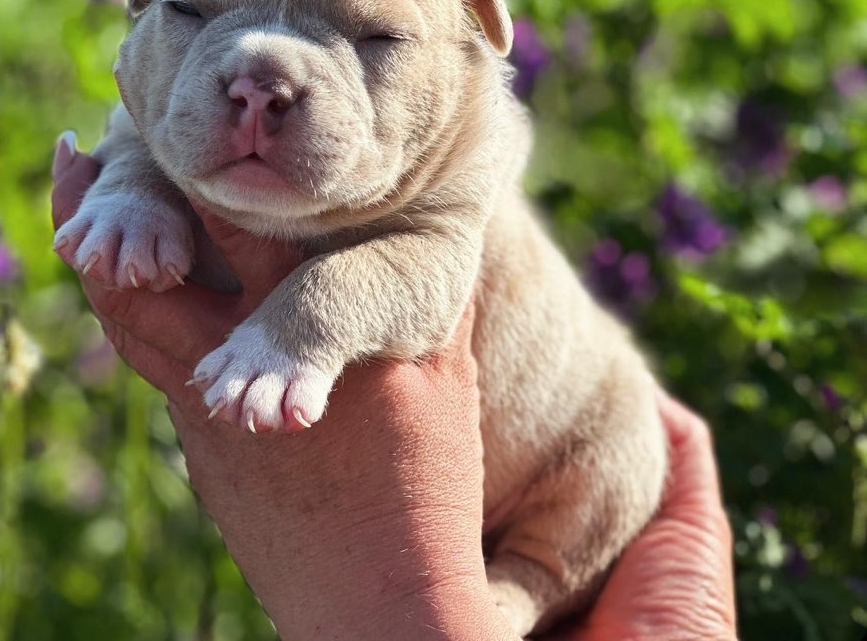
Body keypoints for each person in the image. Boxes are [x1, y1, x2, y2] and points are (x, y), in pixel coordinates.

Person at [51, 135, 738, 640]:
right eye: (192, 12)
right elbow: (144, 127)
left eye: (372, 39)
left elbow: (429, 261)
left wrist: (410, 605)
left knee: (619, 449)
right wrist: (133, 187)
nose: (258, 87)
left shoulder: (449, 150)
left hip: (558, 458)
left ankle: (523, 585)